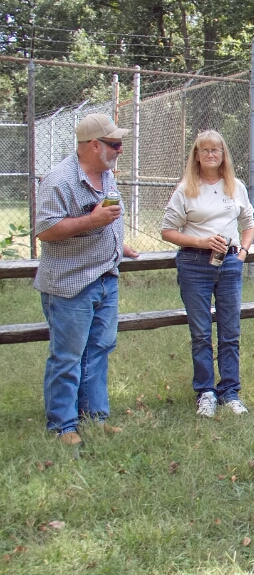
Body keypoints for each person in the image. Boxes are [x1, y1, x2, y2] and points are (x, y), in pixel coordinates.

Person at [35, 112, 139, 446]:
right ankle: (62, 425)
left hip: (106, 279)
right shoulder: (59, 180)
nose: (120, 149)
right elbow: (46, 230)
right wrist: (92, 221)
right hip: (71, 285)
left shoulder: (105, 175)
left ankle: (95, 417)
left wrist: (118, 244)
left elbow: (106, 218)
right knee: (67, 357)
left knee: (98, 351)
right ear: (94, 145)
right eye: (115, 144)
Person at [161, 130, 254, 418]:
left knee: (230, 331)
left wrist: (242, 254)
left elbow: (249, 223)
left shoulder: (235, 187)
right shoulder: (186, 188)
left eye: (216, 150)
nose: (211, 154)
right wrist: (202, 242)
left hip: (229, 264)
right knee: (201, 332)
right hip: (194, 264)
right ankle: (205, 392)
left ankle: (230, 391)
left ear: (224, 155)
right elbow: (167, 231)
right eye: (205, 150)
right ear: (197, 155)